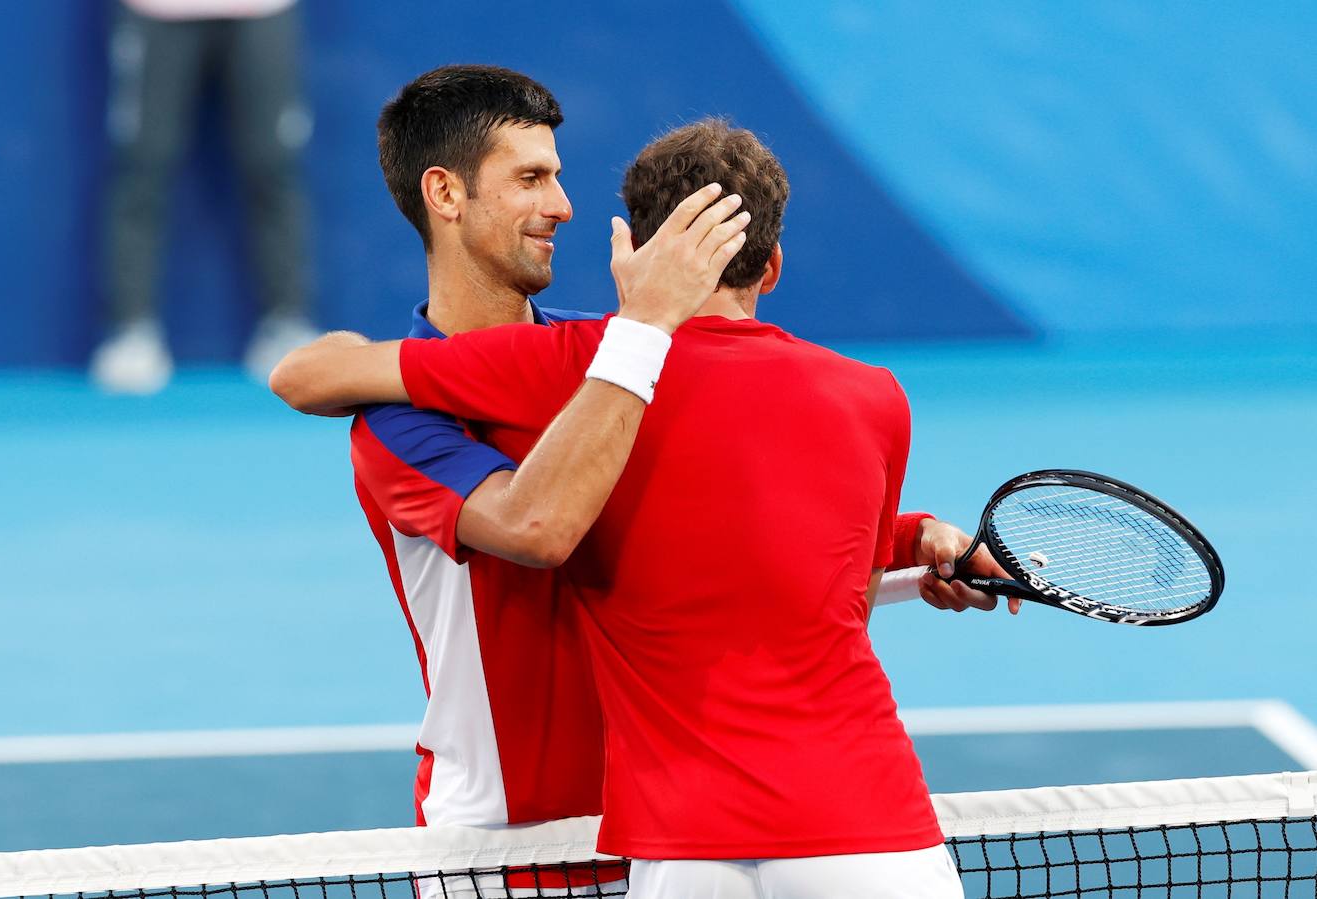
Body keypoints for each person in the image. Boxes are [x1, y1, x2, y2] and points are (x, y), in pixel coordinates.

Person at [277, 117, 970, 898]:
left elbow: (306, 373)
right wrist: (918, 543)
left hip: (669, 840)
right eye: (532, 178)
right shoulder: (869, 394)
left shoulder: (574, 358)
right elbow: (827, 573)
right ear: (771, 266)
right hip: (537, 839)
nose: (560, 205)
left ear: (632, 256)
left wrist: (918, 539)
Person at [91, 0, 319, 394]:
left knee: (272, 167)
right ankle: (131, 330)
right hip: (155, 13)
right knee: (142, 169)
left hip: (263, 12)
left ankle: (286, 322)